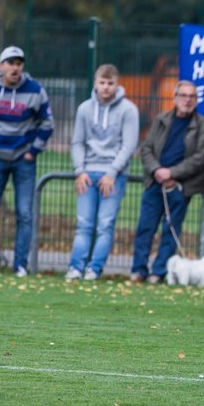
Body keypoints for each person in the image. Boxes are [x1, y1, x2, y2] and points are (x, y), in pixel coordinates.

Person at [0, 45, 53, 276]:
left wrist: (32, 152)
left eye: (19, 63)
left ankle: (21, 266)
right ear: (1, 66)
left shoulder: (35, 90)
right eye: (11, 63)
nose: (15, 67)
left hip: (23, 160)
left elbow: (47, 124)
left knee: (25, 213)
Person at [131, 80, 204, 283]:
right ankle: (138, 269)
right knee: (145, 228)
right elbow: (146, 148)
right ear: (175, 98)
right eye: (183, 95)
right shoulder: (161, 119)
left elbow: (200, 157)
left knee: (171, 230)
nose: (187, 100)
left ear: (196, 100)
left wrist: (172, 173)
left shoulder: (203, 125)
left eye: (192, 96)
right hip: (154, 183)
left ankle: (158, 272)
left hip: (180, 187)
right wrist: (157, 170)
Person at [66, 64, 139, 281]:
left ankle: (94, 269)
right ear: (95, 83)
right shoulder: (84, 109)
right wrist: (79, 171)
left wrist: (112, 173)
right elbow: (77, 142)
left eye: (110, 83)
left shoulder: (129, 110)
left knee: (105, 225)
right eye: (102, 83)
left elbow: (128, 145)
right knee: (84, 223)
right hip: (87, 173)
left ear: (117, 85)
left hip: (113, 176)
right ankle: (75, 268)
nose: (106, 87)